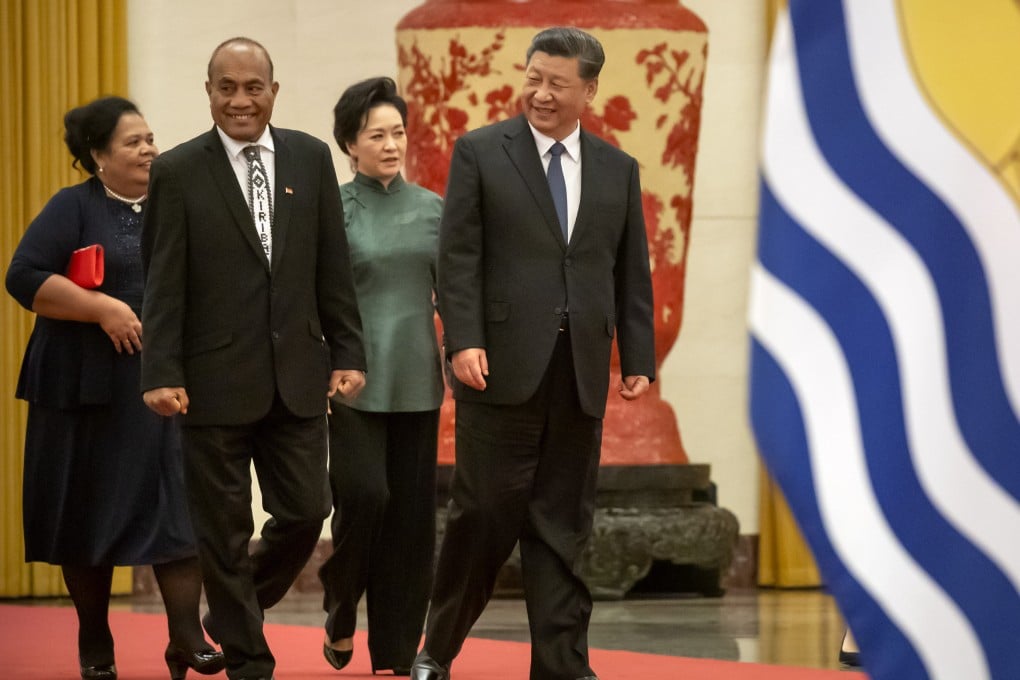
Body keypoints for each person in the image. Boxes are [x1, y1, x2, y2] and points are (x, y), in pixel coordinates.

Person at [411, 27, 655, 680]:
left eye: (558, 83)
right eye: (534, 78)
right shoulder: (482, 153)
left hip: (577, 373)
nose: (541, 93)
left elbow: (630, 269)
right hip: (496, 370)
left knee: (563, 526)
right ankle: (438, 649)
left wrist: (638, 357)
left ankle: (562, 663)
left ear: (589, 90)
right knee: (482, 516)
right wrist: (461, 339)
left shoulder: (617, 169)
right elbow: (456, 257)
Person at [139, 37, 366, 680]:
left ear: (274, 90)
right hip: (209, 383)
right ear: (209, 92)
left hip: (298, 377)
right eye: (226, 88)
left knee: (306, 511)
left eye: (253, 87)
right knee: (225, 528)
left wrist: (348, 350)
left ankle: (226, 617)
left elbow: (332, 268)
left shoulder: (311, 157)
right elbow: (163, 282)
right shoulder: (179, 170)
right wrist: (161, 371)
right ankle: (247, 659)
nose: (241, 100)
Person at [5, 96, 224, 680]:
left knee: (177, 507)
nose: (150, 148)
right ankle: (95, 643)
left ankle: (185, 637)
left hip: (158, 387)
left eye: (151, 138)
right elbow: (23, 277)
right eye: (134, 142)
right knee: (86, 516)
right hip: (80, 389)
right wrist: (101, 307)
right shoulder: (72, 207)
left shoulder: (173, 206)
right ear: (98, 157)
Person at [317, 76, 444, 676]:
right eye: (377, 135)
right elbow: (314, 299)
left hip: (418, 383)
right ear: (350, 143)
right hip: (352, 383)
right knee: (365, 499)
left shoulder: (433, 210)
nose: (391, 144)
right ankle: (340, 610)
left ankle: (395, 655)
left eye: (398, 132)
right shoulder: (331, 211)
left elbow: (456, 295)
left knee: (411, 525)